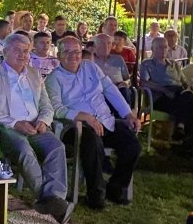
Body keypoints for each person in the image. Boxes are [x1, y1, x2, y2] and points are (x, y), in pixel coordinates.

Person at [0, 33, 73, 224]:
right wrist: (15, 123)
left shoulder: (34, 74)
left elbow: (46, 105)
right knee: (24, 150)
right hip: (8, 128)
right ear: (5, 52)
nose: (22, 55)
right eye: (17, 51)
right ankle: (53, 203)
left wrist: (44, 120)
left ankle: (53, 198)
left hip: (36, 126)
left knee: (57, 147)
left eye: (26, 51)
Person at [46, 36, 141, 209]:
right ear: (59, 55)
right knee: (92, 142)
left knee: (132, 143)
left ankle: (115, 188)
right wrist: (84, 117)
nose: (73, 55)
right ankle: (96, 195)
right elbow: (57, 109)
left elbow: (110, 89)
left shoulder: (90, 67)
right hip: (74, 126)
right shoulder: (54, 78)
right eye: (67, 52)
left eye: (76, 51)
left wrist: (128, 114)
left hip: (105, 121)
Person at [139, 37, 193, 154]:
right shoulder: (147, 64)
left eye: (165, 47)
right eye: (160, 47)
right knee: (188, 103)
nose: (163, 50)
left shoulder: (174, 64)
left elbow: (184, 82)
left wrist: (189, 87)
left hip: (178, 94)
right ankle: (184, 136)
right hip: (161, 97)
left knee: (189, 96)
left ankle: (181, 130)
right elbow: (143, 82)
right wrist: (164, 90)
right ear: (153, 49)